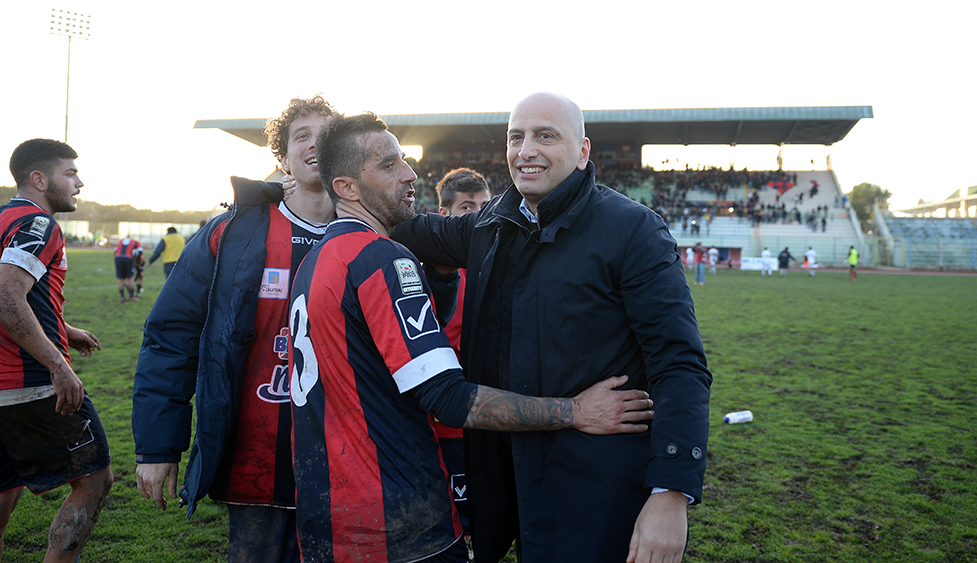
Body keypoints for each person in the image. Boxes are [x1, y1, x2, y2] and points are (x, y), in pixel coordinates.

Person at [291, 113, 654, 563]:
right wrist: (576, 411)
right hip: (393, 519)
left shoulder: (313, 260)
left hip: (327, 513)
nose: (410, 173)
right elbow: (449, 398)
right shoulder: (380, 259)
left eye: (403, 159)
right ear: (346, 188)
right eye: (388, 166)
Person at [393, 92, 711, 563]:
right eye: (516, 136)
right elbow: (411, 229)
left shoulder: (633, 231)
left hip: (596, 486)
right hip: (507, 480)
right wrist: (309, 195)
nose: (527, 150)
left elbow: (679, 364)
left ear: (583, 151)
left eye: (546, 136)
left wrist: (671, 494)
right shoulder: (490, 224)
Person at [133, 96, 342, 563]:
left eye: (326, 136)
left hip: (346, 459)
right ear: (282, 157)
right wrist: (157, 446)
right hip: (256, 458)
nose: (313, 145)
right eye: (301, 136)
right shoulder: (229, 233)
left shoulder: (375, 233)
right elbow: (171, 337)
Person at [0, 138, 113, 562]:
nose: (79, 183)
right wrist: (58, 364)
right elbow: (7, 296)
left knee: (3, 490)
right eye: (70, 174)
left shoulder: (2, 218)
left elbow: (14, 299)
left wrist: (64, 329)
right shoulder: (39, 224)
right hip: (31, 384)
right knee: (94, 481)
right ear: (39, 179)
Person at [431, 167, 492, 534]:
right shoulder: (431, 274)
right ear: (445, 216)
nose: (479, 215)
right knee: (455, 522)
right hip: (448, 425)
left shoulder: (499, 266)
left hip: (498, 415)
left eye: (485, 205)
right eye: (468, 207)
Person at [113, 235, 142, 301]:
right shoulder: (135, 241)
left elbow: (114, 251)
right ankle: (131, 296)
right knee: (130, 277)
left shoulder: (120, 241)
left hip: (117, 258)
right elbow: (140, 251)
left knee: (119, 278)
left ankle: (122, 296)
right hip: (128, 258)